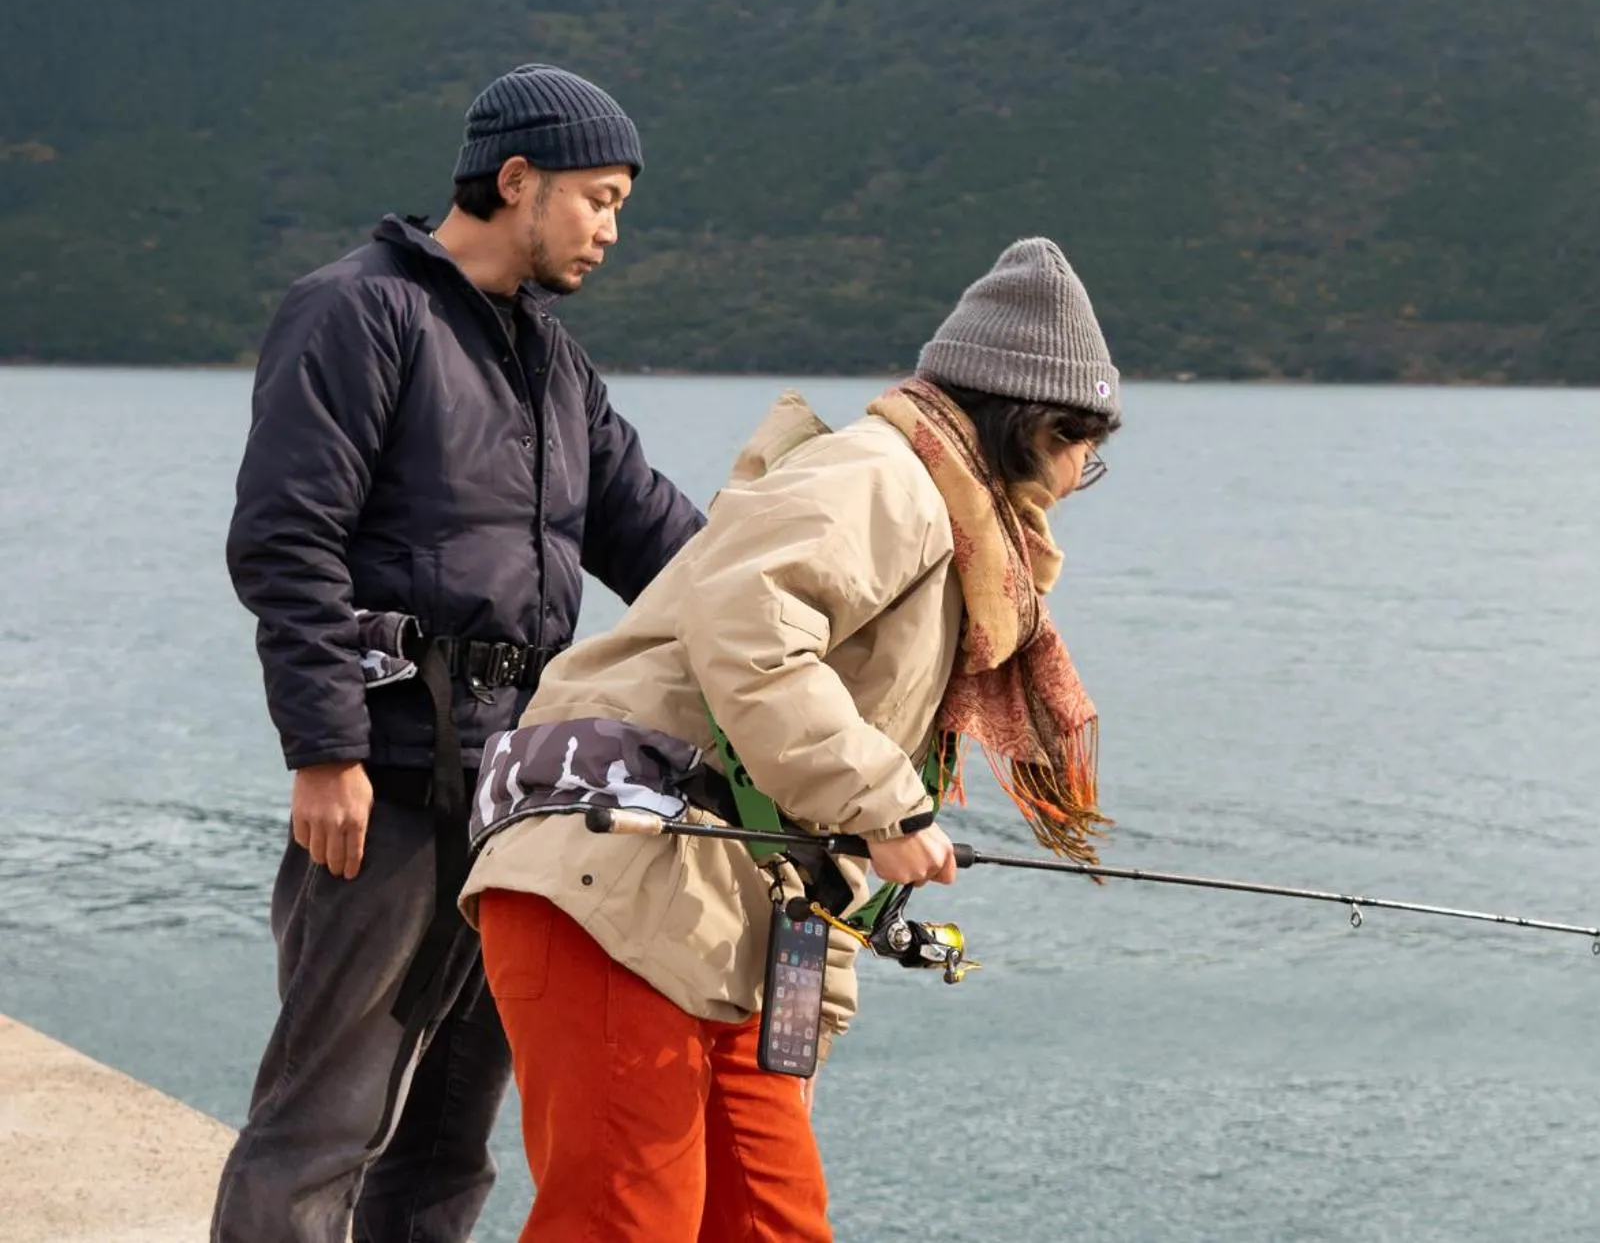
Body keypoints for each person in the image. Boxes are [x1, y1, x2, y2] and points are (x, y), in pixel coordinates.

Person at [458, 236, 1122, 1241]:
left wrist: (820, 984)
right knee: (623, 1222)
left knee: (770, 1225)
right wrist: (886, 805)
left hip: (730, 912)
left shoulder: (943, 513)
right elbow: (747, 625)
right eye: (1088, 447)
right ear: (1037, 423)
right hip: (615, 879)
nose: (1083, 476)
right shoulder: (885, 478)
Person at [215, 64, 706, 1243]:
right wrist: (323, 750)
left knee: (449, 1140)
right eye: (597, 197)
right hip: (379, 778)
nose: (610, 229)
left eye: (622, 204)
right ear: (517, 178)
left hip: (514, 799)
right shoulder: (357, 311)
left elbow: (672, 552)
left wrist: (824, 584)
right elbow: (287, 541)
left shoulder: (555, 364)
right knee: (322, 1121)